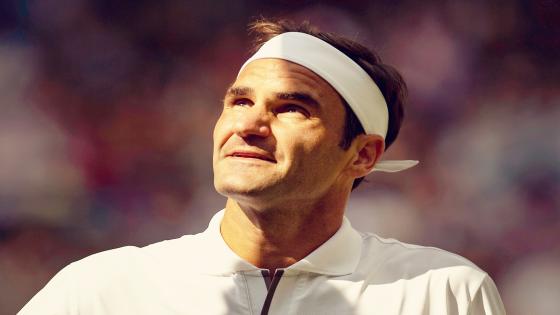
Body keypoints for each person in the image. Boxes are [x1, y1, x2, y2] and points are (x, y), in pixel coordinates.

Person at [19, 19, 506, 315]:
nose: (250, 124)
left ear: (362, 155)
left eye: (293, 107)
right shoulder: (102, 290)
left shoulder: (442, 294)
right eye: (239, 102)